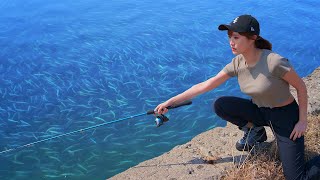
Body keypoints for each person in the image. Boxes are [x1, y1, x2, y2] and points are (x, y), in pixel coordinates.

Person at [154, 15, 319, 180]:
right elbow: (205, 85)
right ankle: (255, 130)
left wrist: (302, 120)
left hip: (285, 117)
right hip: (260, 111)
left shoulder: (274, 61)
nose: (231, 42)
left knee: (296, 178)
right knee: (221, 104)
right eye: (229, 37)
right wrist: (170, 102)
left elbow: (300, 87)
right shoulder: (237, 63)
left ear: (253, 38)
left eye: (236, 37)